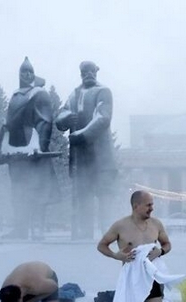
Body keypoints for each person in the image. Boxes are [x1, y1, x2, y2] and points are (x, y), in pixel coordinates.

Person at [0, 57, 60, 241]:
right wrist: (4, 146)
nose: (26, 75)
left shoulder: (39, 94)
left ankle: (38, 228)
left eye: (30, 72)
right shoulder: (16, 95)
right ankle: (21, 228)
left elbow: (45, 121)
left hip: (33, 148)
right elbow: (9, 123)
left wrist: (39, 147)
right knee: (18, 190)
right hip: (16, 148)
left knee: (37, 189)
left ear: (34, 74)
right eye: (23, 72)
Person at [55, 61, 117, 240]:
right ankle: (85, 233)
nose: (88, 74)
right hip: (81, 158)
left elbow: (102, 118)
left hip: (101, 156)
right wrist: (67, 117)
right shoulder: (74, 94)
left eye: (91, 70)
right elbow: (60, 116)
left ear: (96, 72)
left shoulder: (103, 92)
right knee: (83, 196)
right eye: (84, 71)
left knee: (104, 195)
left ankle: (109, 234)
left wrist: (81, 135)